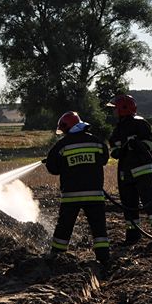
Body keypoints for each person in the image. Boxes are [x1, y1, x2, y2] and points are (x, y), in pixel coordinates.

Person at [43, 111, 110, 266]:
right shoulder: (96, 142)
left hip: (71, 196)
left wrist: (59, 163)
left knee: (64, 228)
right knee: (99, 228)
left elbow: (53, 168)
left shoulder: (61, 145)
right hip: (95, 195)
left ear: (67, 128)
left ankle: (57, 257)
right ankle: (104, 258)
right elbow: (104, 159)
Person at [107, 94, 152, 245]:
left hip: (142, 169)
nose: (113, 112)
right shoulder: (117, 129)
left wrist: (138, 145)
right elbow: (114, 149)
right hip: (125, 173)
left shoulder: (140, 123)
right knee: (129, 205)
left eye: (115, 109)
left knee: (149, 201)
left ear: (123, 108)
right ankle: (132, 236)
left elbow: (150, 143)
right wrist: (119, 150)